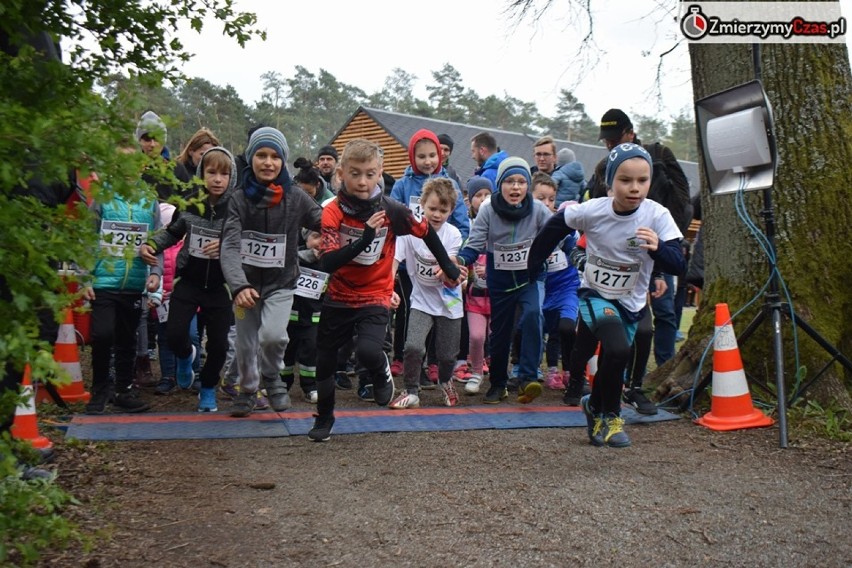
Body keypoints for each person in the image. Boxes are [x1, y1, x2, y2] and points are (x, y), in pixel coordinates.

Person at [528, 143, 685, 448]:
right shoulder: (593, 210)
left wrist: (659, 248)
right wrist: (533, 265)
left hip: (631, 302)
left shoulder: (657, 215)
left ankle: (593, 403)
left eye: (642, 180)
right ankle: (611, 417)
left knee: (614, 357)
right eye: (625, 180)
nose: (635, 188)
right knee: (616, 349)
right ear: (610, 182)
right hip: (595, 294)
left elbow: (678, 263)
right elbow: (555, 226)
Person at [308, 139, 462, 442]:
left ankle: (382, 373)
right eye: (355, 174)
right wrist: (364, 239)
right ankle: (324, 417)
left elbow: (427, 231)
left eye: (370, 174)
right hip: (339, 294)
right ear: (340, 174)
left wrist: (450, 266)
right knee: (324, 360)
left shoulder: (393, 209)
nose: (363, 181)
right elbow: (327, 262)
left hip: (375, 293)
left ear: (380, 173)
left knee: (367, 350)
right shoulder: (333, 212)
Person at [220, 127, 323, 417]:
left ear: (283, 161)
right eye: (262, 155)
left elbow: (325, 221)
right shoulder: (238, 199)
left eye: (275, 156)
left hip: (281, 283)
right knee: (245, 342)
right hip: (246, 288)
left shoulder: (296, 198)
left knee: (274, 337)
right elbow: (228, 246)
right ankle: (249, 390)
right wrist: (238, 286)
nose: (268, 162)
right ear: (251, 158)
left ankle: (271, 376)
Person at [589, 108, 691, 398]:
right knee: (620, 316)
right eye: (606, 141)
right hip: (621, 254)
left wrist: (667, 242)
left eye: (614, 139)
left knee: (664, 312)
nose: (609, 145)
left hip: (658, 246)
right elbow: (595, 205)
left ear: (630, 134)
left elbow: (682, 200)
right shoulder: (605, 165)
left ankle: (662, 365)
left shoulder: (659, 156)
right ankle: (620, 378)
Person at [141, 146, 237, 412]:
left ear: (232, 177)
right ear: (201, 174)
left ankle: (207, 389)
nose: (217, 179)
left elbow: (244, 243)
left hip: (221, 285)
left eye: (224, 174)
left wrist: (226, 247)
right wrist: (151, 244)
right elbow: (172, 233)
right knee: (174, 334)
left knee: (218, 345)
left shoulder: (237, 209)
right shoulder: (189, 203)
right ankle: (186, 356)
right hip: (189, 281)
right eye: (211, 172)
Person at [456, 158, 551, 405]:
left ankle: (527, 377)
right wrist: (461, 259)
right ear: (500, 185)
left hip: (528, 278)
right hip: (499, 282)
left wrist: (565, 246)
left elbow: (556, 233)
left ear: (528, 186)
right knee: (500, 334)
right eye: (510, 181)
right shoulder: (488, 209)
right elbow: (475, 243)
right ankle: (498, 384)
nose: (516, 187)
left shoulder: (538, 209)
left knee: (533, 315)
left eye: (521, 182)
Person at [83, 146, 163, 415]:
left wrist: (155, 274)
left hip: (134, 284)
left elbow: (158, 241)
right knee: (103, 335)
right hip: (104, 282)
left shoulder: (149, 200)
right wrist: (85, 278)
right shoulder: (103, 197)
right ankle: (99, 389)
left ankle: (124, 390)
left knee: (128, 339)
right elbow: (87, 238)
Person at [389, 129, 469, 382]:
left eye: (432, 155)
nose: (427, 161)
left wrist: (451, 258)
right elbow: (394, 218)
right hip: (409, 261)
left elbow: (462, 225)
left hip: (443, 262)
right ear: (412, 157)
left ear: (440, 155)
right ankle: (407, 360)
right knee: (409, 312)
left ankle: (435, 362)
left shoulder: (451, 184)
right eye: (421, 156)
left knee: (442, 314)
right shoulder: (403, 185)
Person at [389, 178, 464, 409]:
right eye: (432, 208)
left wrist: (448, 271)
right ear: (421, 205)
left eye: (444, 210)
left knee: (447, 355)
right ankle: (411, 390)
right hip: (421, 300)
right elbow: (394, 260)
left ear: (451, 211)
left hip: (449, 303)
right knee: (412, 346)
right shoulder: (409, 233)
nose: (437, 215)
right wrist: (387, 287)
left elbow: (451, 262)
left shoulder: (453, 235)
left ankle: (445, 380)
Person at [530, 174, 580, 392]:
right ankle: (550, 370)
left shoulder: (564, 227)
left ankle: (569, 371)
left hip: (567, 287)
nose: (547, 204)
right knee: (547, 331)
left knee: (566, 328)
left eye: (551, 200)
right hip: (543, 289)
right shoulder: (528, 228)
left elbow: (577, 250)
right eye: (541, 198)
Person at [281, 228, 325, 404]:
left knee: (310, 352)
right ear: (306, 239)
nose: (320, 242)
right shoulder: (294, 256)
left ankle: (310, 387)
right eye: (315, 237)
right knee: (286, 351)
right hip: (290, 315)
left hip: (314, 317)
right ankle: (282, 385)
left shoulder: (329, 260)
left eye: (325, 238)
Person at [462, 176, 494, 395]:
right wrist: (469, 276)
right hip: (475, 298)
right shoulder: (469, 234)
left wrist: (491, 272)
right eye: (478, 195)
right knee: (476, 336)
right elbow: (464, 262)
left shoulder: (501, 231)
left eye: (487, 195)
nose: (483, 200)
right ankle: (475, 373)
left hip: (497, 298)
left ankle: (499, 376)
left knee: (497, 337)